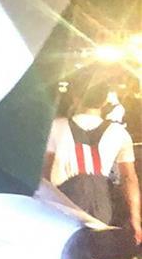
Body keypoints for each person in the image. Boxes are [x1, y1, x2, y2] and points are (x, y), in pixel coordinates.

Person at [44, 82, 141, 243]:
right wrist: (135, 219)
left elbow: (45, 175)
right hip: (100, 204)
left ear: (75, 97)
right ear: (104, 101)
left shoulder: (55, 126)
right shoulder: (119, 133)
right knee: (95, 249)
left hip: (63, 201)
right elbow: (129, 179)